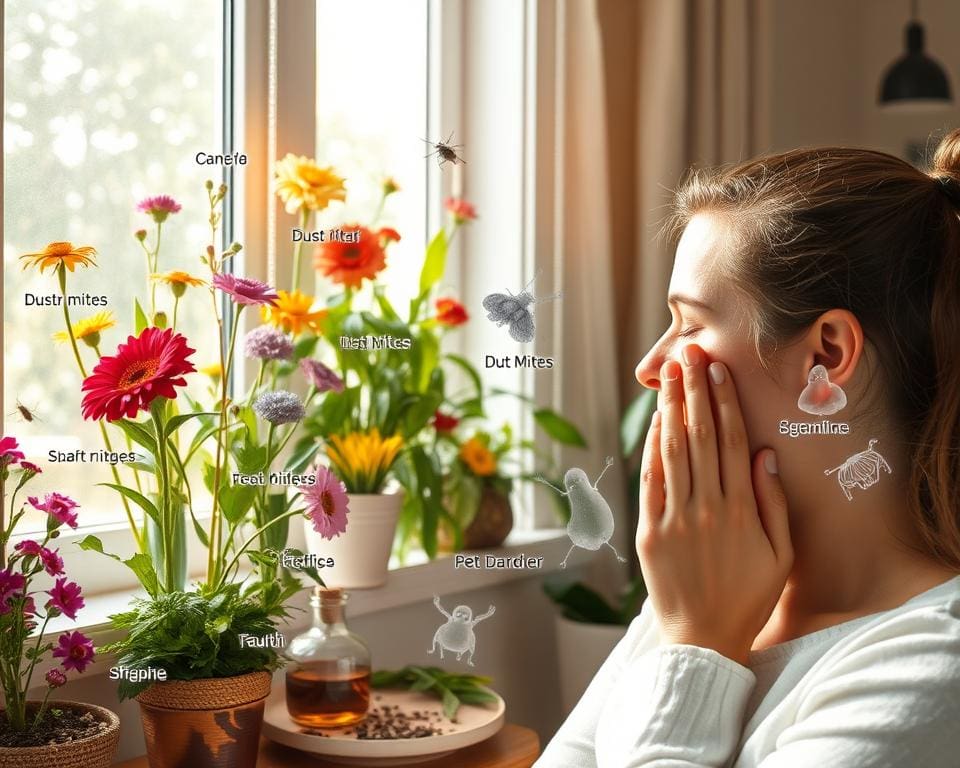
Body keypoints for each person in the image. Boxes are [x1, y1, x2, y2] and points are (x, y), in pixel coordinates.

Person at [536, 129, 960, 767]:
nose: (651, 367)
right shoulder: (708, 589)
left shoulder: (933, 663)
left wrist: (695, 648)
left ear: (826, 357)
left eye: (690, 322)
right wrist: (689, 630)